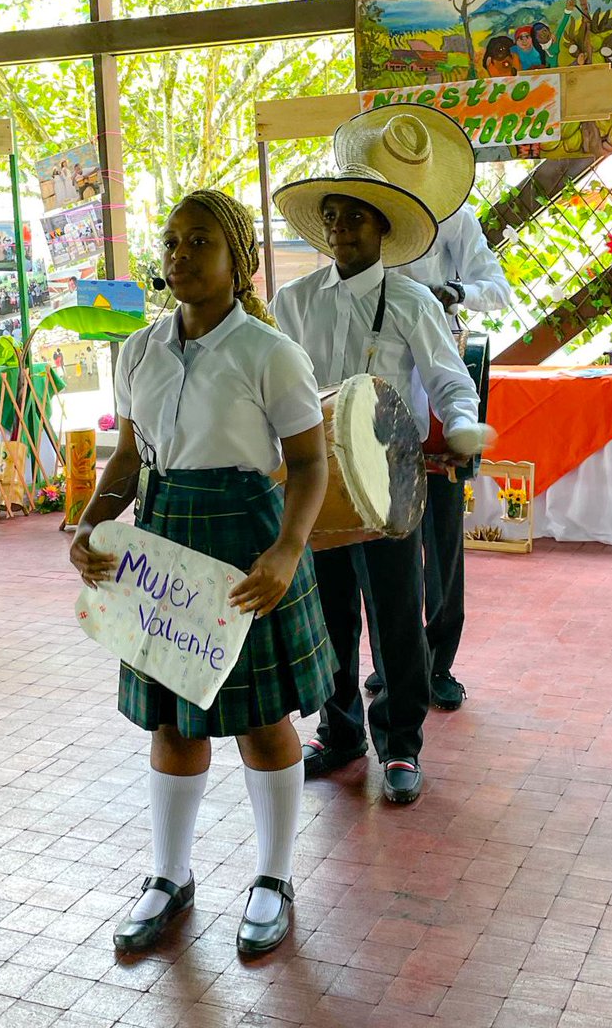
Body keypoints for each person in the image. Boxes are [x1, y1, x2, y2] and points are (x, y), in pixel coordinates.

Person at [69, 189, 335, 958]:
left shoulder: (270, 352)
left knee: (260, 719)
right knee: (172, 720)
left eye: (199, 244)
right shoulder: (139, 350)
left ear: (240, 262)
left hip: (245, 541)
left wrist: (286, 550)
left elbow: (311, 463)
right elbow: (128, 458)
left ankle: (273, 878)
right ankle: (168, 876)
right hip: (165, 543)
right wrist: (91, 523)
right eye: (173, 242)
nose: (179, 257)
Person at [271, 162, 491, 804]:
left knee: (395, 613)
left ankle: (400, 744)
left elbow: (450, 378)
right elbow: (278, 389)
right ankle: (338, 732)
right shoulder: (295, 302)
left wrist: (460, 423)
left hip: (390, 481)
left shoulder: (413, 301)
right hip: (317, 483)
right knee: (328, 614)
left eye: (356, 216)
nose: (341, 228)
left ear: (382, 228)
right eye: (333, 216)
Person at [335, 106, 509, 711]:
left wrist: (452, 292)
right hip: (371, 396)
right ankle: (393, 660)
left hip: (435, 383)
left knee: (438, 532)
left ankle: (439, 661)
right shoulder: (360, 220)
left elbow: (498, 288)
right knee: (378, 540)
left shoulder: (455, 221)